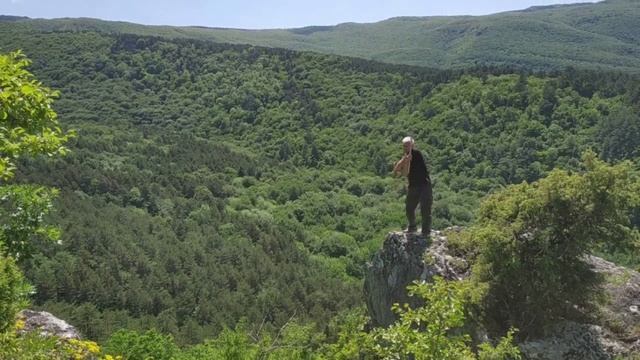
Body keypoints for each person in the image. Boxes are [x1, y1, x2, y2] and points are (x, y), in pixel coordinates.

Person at [393, 136, 432, 237]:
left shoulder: (417, 154)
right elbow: (399, 170)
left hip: (424, 185)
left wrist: (407, 161)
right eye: (404, 146)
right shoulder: (405, 156)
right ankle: (412, 226)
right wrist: (404, 161)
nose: (406, 148)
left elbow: (406, 172)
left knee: (425, 208)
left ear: (412, 146)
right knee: (409, 207)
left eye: (408, 146)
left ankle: (426, 231)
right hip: (413, 186)